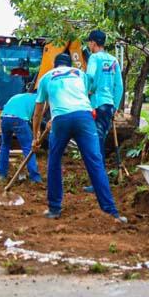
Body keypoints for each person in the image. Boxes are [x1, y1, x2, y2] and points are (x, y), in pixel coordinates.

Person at [32, 53, 126, 223]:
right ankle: (112, 212)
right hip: (84, 116)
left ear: (55, 65)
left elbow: (38, 111)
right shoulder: (80, 74)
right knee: (95, 163)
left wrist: (35, 135)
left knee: (54, 161)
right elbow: (89, 91)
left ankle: (54, 209)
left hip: (61, 119)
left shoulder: (46, 77)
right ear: (70, 65)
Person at [83, 30, 123, 193]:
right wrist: (115, 107)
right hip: (108, 106)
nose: (89, 46)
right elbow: (119, 86)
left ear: (93, 43)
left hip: (96, 105)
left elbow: (90, 77)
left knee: (96, 143)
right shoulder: (113, 60)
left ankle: (98, 183)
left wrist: (88, 91)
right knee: (99, 141)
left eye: (89, 43)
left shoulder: (94, 58)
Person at [0, 82, 42, 184]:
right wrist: (36, 133)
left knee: (5, 147)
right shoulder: (39, 100)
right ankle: (35, 178)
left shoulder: (18, 96)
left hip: (5, 119)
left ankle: (1, 175)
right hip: (19, 120)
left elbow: (4, 111)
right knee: (28, 147)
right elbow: (37, 116)